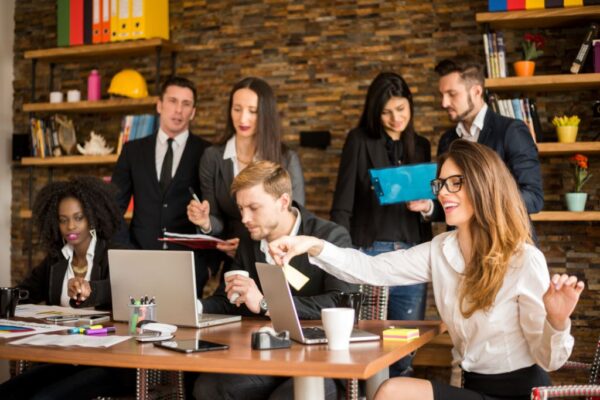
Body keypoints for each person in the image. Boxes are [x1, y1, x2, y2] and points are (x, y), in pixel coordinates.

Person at [269, 140, 584, 400]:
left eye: (455, 183)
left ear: (484, 185)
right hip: (472, 388)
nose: (443, 193)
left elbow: (549, 359)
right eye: (441, 184)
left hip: (522, 392)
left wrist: (557, 321)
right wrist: (312, 244)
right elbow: (371, 269)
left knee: (392, 391)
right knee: (390, 391)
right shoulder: (440, 249)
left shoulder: (523, 259)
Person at [193, 161, 354, 400]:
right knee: (208, 386)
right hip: (264, 356)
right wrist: (196, 307)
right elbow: (230, 300)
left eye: (253, 208)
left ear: (283, 202)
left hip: (320, 360)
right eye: (241, 208)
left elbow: (339, 303)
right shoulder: (249, 240)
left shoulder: (330, 237)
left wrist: (266, 303)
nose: (245, 218)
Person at [330, 72, 432, 377]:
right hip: (370, 254)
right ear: (375, 111)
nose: (395, 118)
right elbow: (342, 204)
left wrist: (425, 207)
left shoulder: (422, 145)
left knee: (405, 352)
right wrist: (342, 258)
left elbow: (434, 206)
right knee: (368, 349)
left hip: (412, 257)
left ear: (410, 107)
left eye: (401, 109)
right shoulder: (359, 141)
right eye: (387, 112)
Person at [0, 176, 134, 399]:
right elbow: (25, 291)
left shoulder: (114, 254)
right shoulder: (55, 261)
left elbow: (122, 290)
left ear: (92, 218)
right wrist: (6, 297)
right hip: (63, 358)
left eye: (78, 218)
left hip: (105, 363)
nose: (70, 226)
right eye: (63, 220)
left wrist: (90, 289)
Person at [409, 57, 543, 224]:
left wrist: (475, 202)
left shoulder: (511, 131)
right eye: (442, 95)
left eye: (452, 94)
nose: (444, 103)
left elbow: (534, 198)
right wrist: (428, 206)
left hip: (505, 243)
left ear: (477, 92)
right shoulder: (447, 140)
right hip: (461, 247)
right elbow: (452, 205)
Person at [111, 76, 212, 294]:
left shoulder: (208, 153)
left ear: (193, 111)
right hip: (138, 260)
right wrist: (126, 252)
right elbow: (113, 208)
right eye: (172, 101)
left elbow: (214, 212)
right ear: (159, 105)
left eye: (186, 104)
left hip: (189, 266)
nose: (178, 110)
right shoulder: (132, 151)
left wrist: (208, 265)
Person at [187, 77, 305, 259]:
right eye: (237, 109)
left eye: (253, 111)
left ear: (265, 114)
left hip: (275, 255)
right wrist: (205, 222)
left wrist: (249, 248)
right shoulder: (213, 158)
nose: (243, 118)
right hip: (231, 256)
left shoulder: (286, 159)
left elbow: (294, 220)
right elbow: (217, 220)